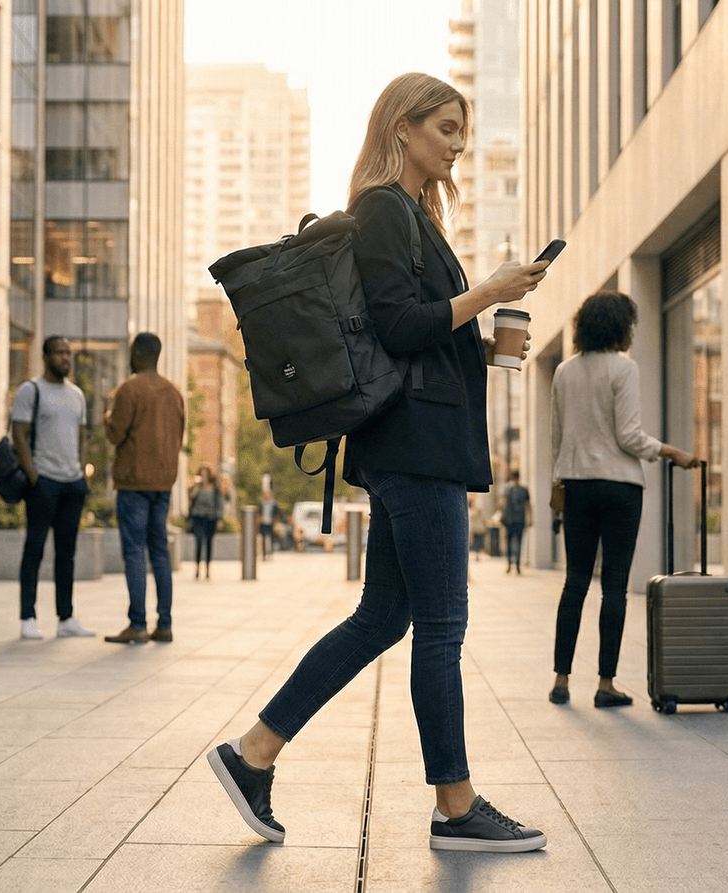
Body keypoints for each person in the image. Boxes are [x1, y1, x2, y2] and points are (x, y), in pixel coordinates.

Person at [206, 72, 551, 853]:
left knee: (383, 618)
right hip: (416, 447)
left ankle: (252, 753)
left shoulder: (407, 213)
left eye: (463, 131)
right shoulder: (383, 209)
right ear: (403, 126)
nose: (458, 145)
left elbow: (422, 326)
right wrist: (489, 289)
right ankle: (457, 808)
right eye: (447, 129)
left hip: (413, 441)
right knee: (441, 626)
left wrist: (485, 331)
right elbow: (398, 327)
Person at [548, 292, 699, 708]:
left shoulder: (564, 371)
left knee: (574, 582)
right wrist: (670, 452)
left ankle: (561, 679)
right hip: (618, 488)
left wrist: (556, 483)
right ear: (620, 326)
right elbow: (629, 436)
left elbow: (557, 438)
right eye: (631, 324)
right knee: (613, 586)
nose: (634, 331)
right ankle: (605, 683)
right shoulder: (624, 368)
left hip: (576, 484)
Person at [102, 332, 186, 645]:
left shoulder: (130, 389)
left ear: (137, 353)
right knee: (160, 552)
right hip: (163, 483)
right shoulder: (173, 392)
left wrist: (107, 417)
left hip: (134, 482)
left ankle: (137, 623)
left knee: (135, 551)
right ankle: (164, 623)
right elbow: (179, 435)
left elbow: (115, 434)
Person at [12, 335, 95, 640]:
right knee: (34, 550)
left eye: (68, 353)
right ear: (45, 357)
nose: (65, 358)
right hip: (43, 483)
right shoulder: (30, 390)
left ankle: (66, 617)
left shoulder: (76, 395)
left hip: (72, 484)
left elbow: (83, 435)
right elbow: (18, 435)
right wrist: (35, 477)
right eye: (60, 353)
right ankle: (27, 616)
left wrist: (81, 474)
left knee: (67, 553)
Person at [186, 465, 223, 580]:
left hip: (210, 518)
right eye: (202, 474)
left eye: (205, 473)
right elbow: (190, 500)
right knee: (199, 541)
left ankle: (207, 569)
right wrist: (196, 487)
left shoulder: (215, 488)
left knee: (209, 543)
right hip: (198, 518)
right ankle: (197, 568)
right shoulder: (196, 487)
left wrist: (219, 519)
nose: (204, 476)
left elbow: (218, 504)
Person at [500, 470, 531, 574]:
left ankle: (510, 564)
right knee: (519, 542)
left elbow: (503, 504)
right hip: (520, 520)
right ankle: (517, 565)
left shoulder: (508, 489)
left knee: (509, 542)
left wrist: (502, 517)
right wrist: (530, 519)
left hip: (510, 520)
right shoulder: (524, 489)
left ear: (512, 478)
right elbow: (528, 505)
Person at [259, 488, 278, 559]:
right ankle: (264, 554)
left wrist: (276, 523)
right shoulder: (261, 503)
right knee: (263, 539)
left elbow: (276, 514)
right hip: (263, 523)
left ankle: (271, 553)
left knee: (271, 539)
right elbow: (259, 512)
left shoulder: (273, 504)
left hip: (271, 523)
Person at [468, 494, 487, 561]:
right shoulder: (475, 510)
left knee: (477, 542)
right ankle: (477, 555)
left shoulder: (475, 510)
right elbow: (483, 519)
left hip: (477, 528)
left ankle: (477, 555)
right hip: (478, 528)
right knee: (478, 542)